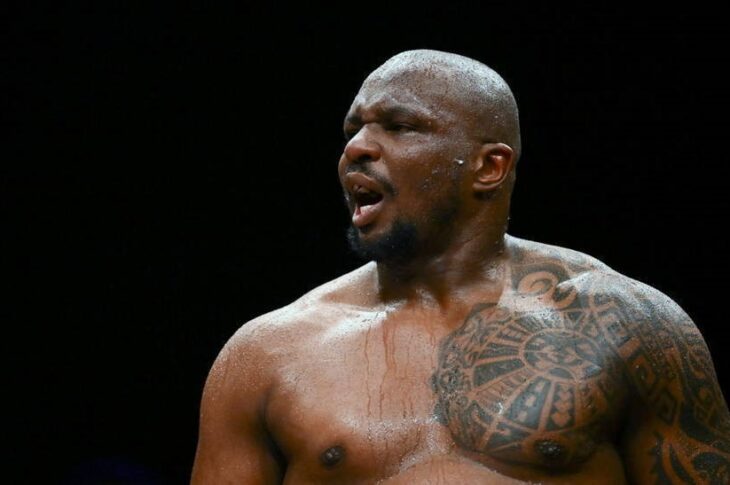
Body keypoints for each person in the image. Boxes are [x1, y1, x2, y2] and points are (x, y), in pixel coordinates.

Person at [190, 49, 730, 484]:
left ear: (489, 166)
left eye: (399, 126)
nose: (357, 147)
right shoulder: (268, 355)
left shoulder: (626, 327)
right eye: (353, 129)